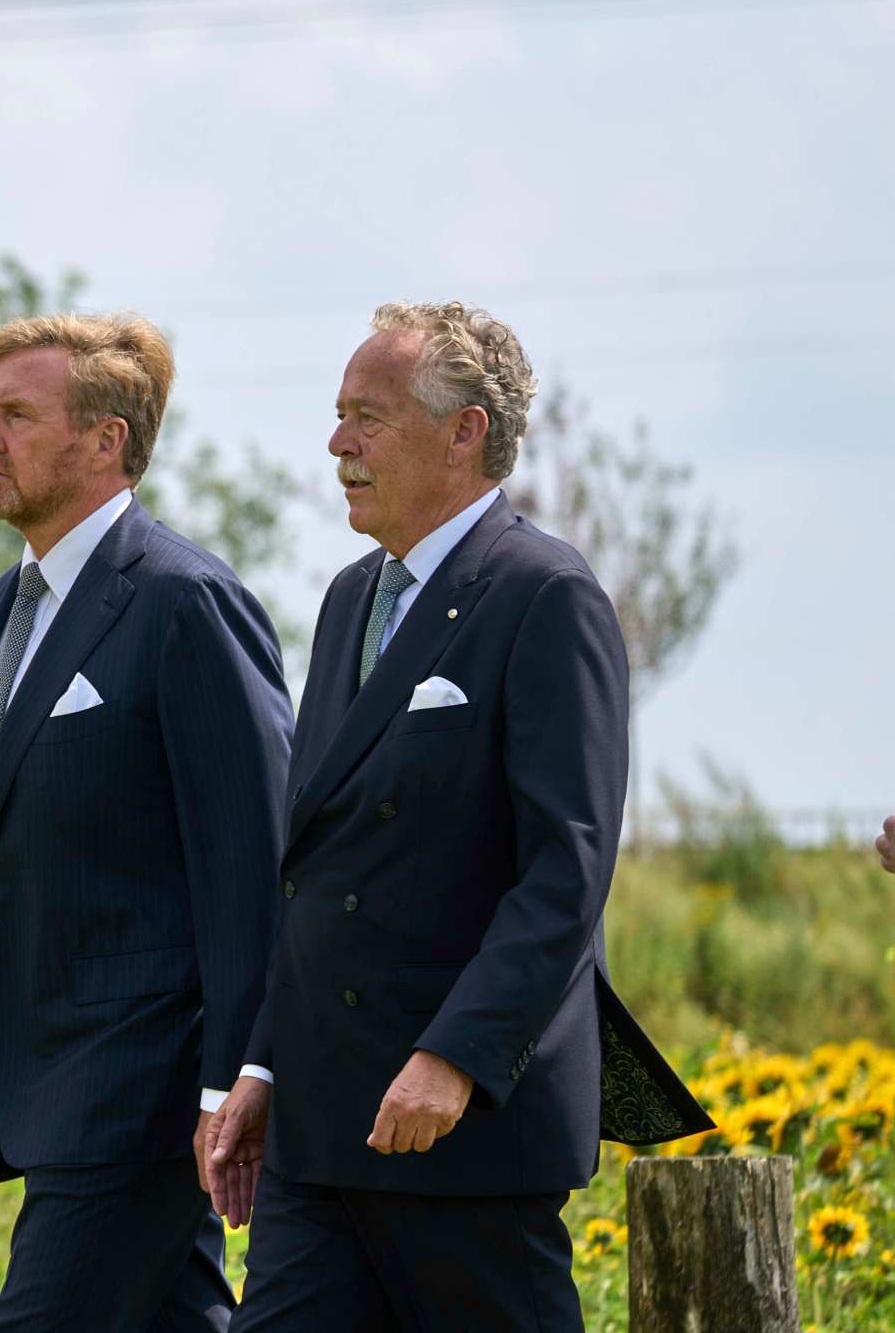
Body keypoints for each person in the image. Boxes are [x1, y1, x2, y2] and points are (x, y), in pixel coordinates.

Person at [205, 302, 713, 1332]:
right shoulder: (349, 598)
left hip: (463, 1134)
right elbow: (309, 866)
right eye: (339, 415)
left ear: (463, 432)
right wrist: (262, 1063)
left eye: (367, 416)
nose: (338, 443)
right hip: (321, 1126)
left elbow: (565, 867)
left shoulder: (544, 593)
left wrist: (458, 1057)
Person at [0, 313, 290, 1332]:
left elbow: (252, 863)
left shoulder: (184, 602)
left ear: (104, 444)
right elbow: (6, 862)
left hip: (142, 1094)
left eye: (16, 415)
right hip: (45, 1082)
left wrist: (236, 1076)